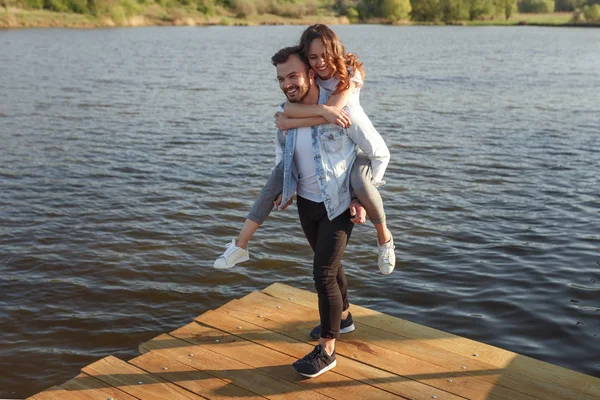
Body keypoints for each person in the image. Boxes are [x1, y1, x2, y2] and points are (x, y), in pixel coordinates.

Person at [214, 24, 396, 275]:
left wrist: (358, 198)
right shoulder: (305, 85)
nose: (321, 63)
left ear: (336, 51)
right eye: (313, 57)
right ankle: (240, 245)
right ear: (307, 64)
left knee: (362, 184)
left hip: (355, 149)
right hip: (324, 131)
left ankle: (384, 239)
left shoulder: (348, 79)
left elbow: (333, 115)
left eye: (325, 55)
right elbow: (296, 111)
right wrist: (287, 183)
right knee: (275, 178)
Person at [268, 46, 383, 378]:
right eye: (281, 78)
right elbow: (281, 153)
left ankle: (327, 351)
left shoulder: (344, 110)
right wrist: (285, 188)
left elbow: (378, 153)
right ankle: (343, 319)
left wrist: (361, 197)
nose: (287, 83)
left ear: (311, 72)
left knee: (322, 275)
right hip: (307, 203)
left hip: (337, 204)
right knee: (330, 264)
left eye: (293, 75)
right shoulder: (287, 115)